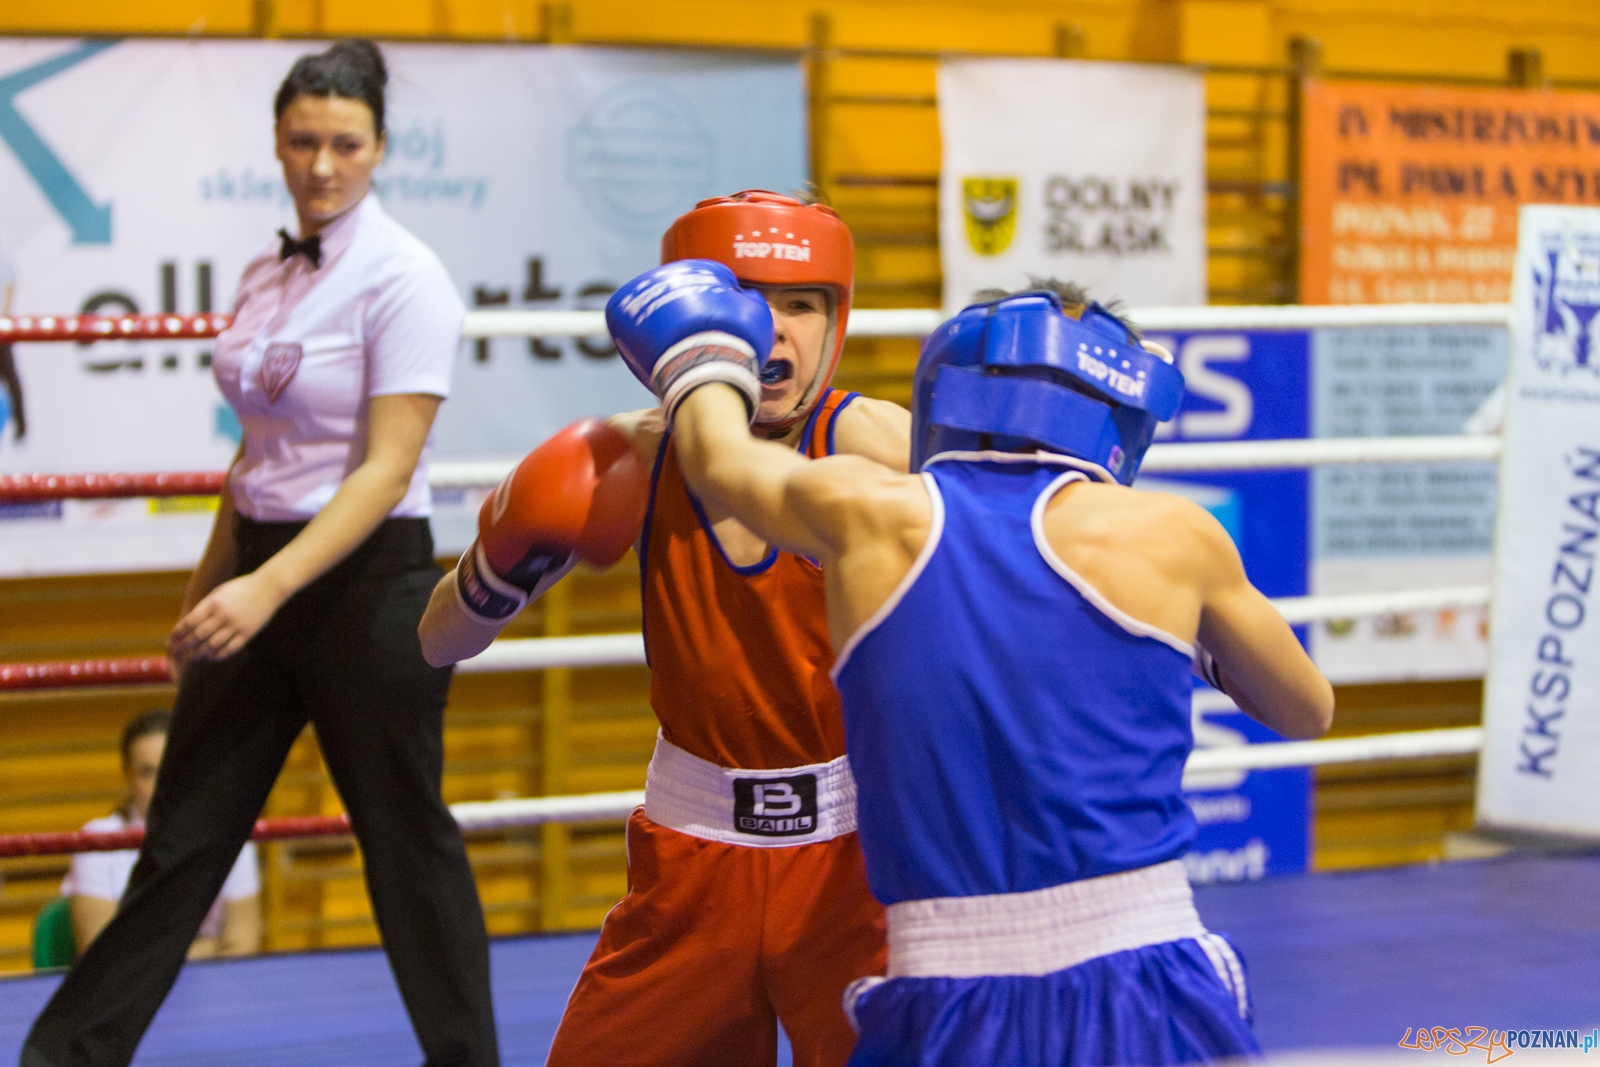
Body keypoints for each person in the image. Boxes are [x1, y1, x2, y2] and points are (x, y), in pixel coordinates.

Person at [607, 269, 1337, 1066]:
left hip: (948, 986)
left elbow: (716, 460)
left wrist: (705, 355)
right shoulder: (1172, 538)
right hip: (1147, 967)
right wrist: (1175, 629)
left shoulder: (871, 516)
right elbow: (1307, 709)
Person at [22, 39, 498, 1067]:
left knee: (405, 845)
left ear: (379, 148)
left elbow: (386, 469)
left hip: (369, 581)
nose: (322, 164)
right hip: (260, 570)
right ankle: (64, 1058)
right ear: (277, 143)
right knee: (181, 841)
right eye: (302, 140)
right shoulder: (265, 272)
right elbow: (255, 457)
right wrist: (209, 592)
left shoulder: (407, 276)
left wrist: (264, 589)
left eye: (345, 143)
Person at [419, 191, 905, 1067]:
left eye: (802, 304)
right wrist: (502, 560)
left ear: (838, 320)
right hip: (690, 866)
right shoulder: (629, 459)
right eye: (745, 299)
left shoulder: (880, 446)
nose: (774, 330)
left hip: (855, 865)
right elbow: (437, 641)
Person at [64, 709, 261, 960]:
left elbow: (242, 949)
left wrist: (143, 954)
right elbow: (101, 957)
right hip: (133, 986)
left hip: (211, 984)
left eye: (172, 769)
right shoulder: (97, 841)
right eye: (147, 772)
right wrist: (211, 947)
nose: (161, 785)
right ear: (128, 778)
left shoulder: (231, 837)